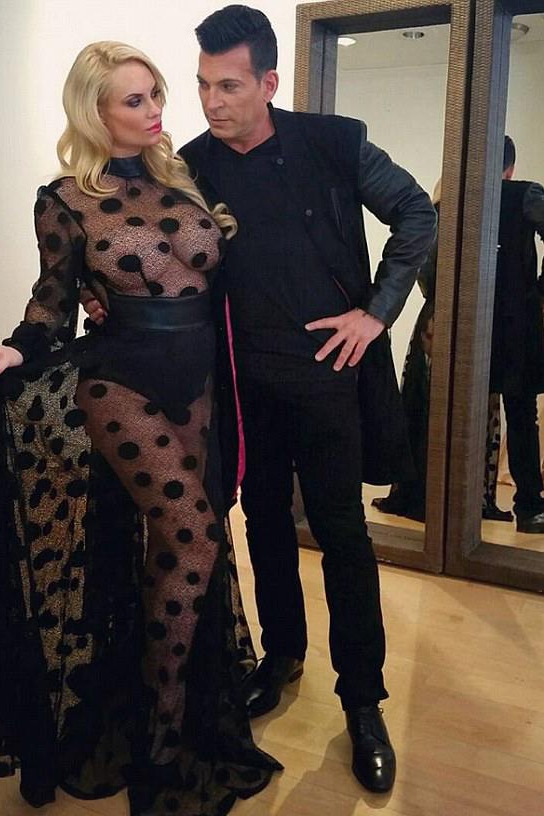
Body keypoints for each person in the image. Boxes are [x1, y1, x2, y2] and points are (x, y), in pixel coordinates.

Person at [85, 6, 436, 795]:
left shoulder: (334, 142)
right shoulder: (191, 167)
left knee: (343, 536)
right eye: (204, 85)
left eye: (230, 86)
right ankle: (282, 659)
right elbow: (145, 248)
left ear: (269, 82)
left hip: (330, 380)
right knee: (266, 525)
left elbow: (418, 212)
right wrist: (102, 295)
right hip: (242, 389)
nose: (212, 102)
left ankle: (364, 702)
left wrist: (377, 313)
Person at [0, 41, 281, 815]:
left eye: (156, 92)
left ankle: (153, 705)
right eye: (135, 99)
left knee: (171, 552)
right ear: (94, 112)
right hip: (120, 383)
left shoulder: (184, 179)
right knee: (194, 538)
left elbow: (225, 277)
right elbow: (52, 300)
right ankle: (161, 741)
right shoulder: (65, 199)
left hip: (200, 385)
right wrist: (18, 346)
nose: (155, 108)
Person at [373, 180, 510, 523]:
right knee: (457, 408)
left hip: (437, 318)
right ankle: (451, 498)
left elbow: (425, 273)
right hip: (458, 322)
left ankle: (426, 494)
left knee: (428, 406)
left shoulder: (438, 217)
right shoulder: (475, 220)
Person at [489, 135, 544, 533]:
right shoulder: (525, 195)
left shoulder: (454, 198)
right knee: (521, 414)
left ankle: (461, 506)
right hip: (517, 324)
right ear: (509, 168)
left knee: (460, 414)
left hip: (466, 320)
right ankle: (529, 507)